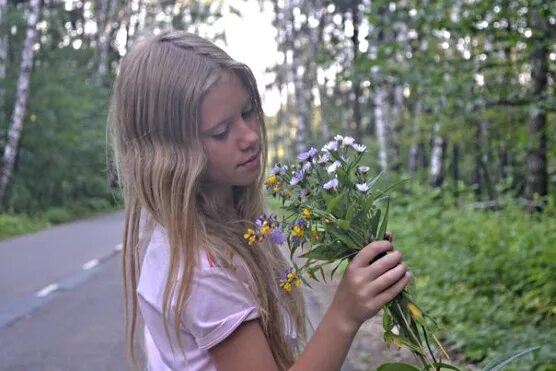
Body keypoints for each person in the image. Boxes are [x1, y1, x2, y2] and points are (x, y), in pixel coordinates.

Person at [107, 30, 411, 371]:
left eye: (248, 112)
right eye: (221, 132)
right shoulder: (201, 271)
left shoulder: (215, 225)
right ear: (170, 156)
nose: (250, 136)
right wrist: (345, 313)